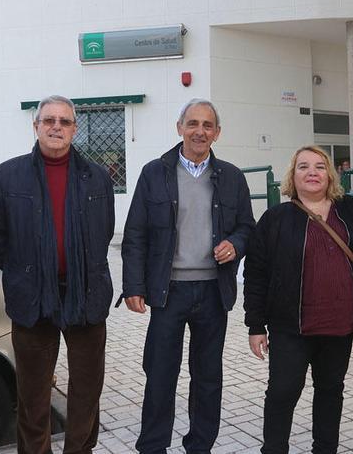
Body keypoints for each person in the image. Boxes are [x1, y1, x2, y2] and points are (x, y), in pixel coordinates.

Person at [121, 98, 256, 454]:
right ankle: (153, 446)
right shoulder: (154, 172)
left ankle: (200, 446)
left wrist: (236, 244)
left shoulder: (231, 176)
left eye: (207, 125)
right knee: (160, 374)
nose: (200, 131)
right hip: (169, 291)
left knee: (208, 378)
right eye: (192, 123)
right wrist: (134, 285)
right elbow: (135, 233)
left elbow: (247, 226)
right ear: (179, 128)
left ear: (217, 133)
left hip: (214, 290)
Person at [0, 95, 115, 454]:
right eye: (49, 120)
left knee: (87, 391)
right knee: (33, 393)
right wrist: (24, 270)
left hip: (86, 297)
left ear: (75, 128)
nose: (56, 127)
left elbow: (104, 233)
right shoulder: (7, 175)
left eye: (65, 121)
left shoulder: (96, 177)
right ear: (36, 125)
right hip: (32, 298)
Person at [243, 146, 353, 454]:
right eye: (303, 166)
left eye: (319, 166)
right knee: (282, 393)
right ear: (293, 176)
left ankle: (325, 449)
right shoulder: (275, 218)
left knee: (331, 392)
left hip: (340, 324)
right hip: (291, 327)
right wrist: (255, 325)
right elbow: (256, 273)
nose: (312, 172)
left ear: (330, 174)